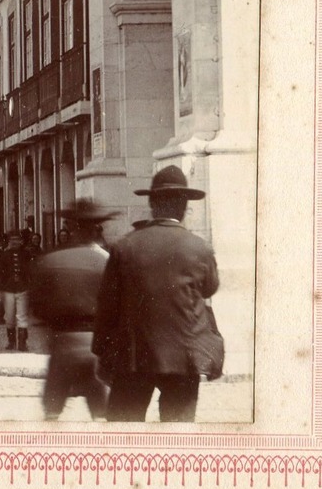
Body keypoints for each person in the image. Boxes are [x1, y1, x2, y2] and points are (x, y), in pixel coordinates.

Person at [94, 165, 222, 422]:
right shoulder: (200, 248)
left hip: (133, 356)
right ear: (185, 207)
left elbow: (107, 307)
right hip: (184, 357)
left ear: (152, 204)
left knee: (124, 435)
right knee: (177, 435)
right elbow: (210, 288)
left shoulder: (124, 246)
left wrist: (102, 353)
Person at [29, 197, 116, 420]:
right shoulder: (108, 262)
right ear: (97, 229)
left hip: (62, 344)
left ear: (71, 227)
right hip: (97, 346)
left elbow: (36, 308)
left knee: (52, 412)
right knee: (101, 415)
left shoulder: (49, 261)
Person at [0, 229, 36, 352]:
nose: (15, 242)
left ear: (21, 241)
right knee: (9, 317)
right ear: (9, 241)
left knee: (22, 316)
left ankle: (22, 343)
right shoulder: (4, 255)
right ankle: (11, 342)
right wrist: (1, 288)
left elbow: (31, 270)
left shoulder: (26, 254)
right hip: (9, 289)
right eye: (12, 240)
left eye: (17, 240)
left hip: (23, 288)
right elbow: (1, 273)